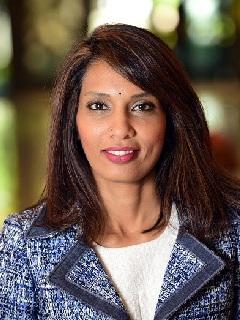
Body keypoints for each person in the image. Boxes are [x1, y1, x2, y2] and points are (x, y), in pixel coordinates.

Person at [0, 23, 239, 320]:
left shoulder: (231, 229)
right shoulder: (25, 244)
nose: (121, 129)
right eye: (99, 105)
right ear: (72, 122)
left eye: (142, 106)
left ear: (171, 119)